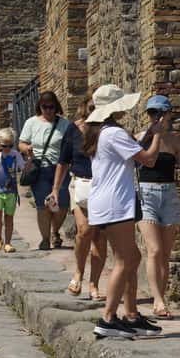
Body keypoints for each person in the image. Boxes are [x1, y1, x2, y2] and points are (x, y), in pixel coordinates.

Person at [85, 85, 166, 339]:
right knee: (124, 260)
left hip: (106, 201)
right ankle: (108, 318)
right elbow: (149, 159)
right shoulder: (115, 133)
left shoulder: (101, 133)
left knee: (133, 257)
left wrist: (148, 134)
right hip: (115, 203)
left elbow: (127, 155)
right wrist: (158, 135)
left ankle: (131, 314)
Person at [136, 95, 180, 319]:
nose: (156, 117)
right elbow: (137, 158)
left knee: (165, 253)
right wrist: (151, 135)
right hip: (146, 193)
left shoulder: (176, 142)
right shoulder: (140, 138)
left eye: (160, 112)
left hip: (168, 193)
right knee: (154, 250)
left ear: (168, 114)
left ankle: (161, 295)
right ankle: (157, 300)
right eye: (152, 113)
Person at [51, 96, 107, 300]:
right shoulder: (73, 130)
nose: (94, 110)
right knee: (84, 230)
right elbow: (63, 161)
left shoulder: (106, 130)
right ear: (85, 107)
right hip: (80, 185)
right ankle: (78, 273)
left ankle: (94, 284)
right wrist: (56, 189)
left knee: (100, 237)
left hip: (103, 187)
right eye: (91, 106)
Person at [18, 91, 72, 251]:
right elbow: (21, 143)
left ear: (56, 107)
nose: (48, 110)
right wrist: (26, 148)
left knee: (62, 204)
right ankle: (45, 239)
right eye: (45, 107)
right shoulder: (31, 123)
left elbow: (70, 145)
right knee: (43, 205)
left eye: (51, 107)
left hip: (60, 168)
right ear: (39, 107)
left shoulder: (64, 124)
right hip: (39, 168)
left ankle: (55, 232)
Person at [0, 129, 24, 253]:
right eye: (4, 146)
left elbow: (23, 168)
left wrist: (30, 158)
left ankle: (8, 242)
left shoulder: (15, 155)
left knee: (9, 217)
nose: (7, 149)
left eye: (10, 146)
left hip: (11, 190)